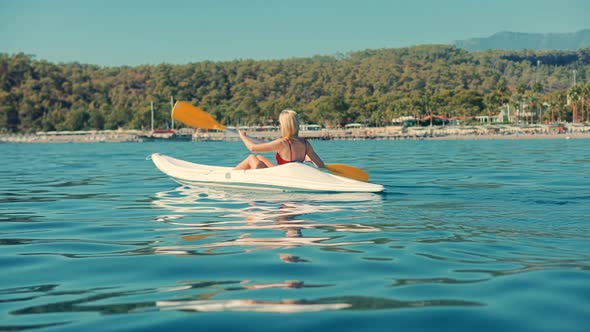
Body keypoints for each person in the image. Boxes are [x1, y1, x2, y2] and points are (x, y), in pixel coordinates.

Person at [235, 109, 325, 170]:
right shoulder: (305, 144)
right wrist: (307, 158)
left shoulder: (281, 143)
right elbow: (321, 165)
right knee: (259, 157)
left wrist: (242, 136)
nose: (279, 125)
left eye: (280, 123)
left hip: (282, 176)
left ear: (284, 125)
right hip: (290, 174)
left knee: (251, 158)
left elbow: (252, 148)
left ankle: (230, 175)